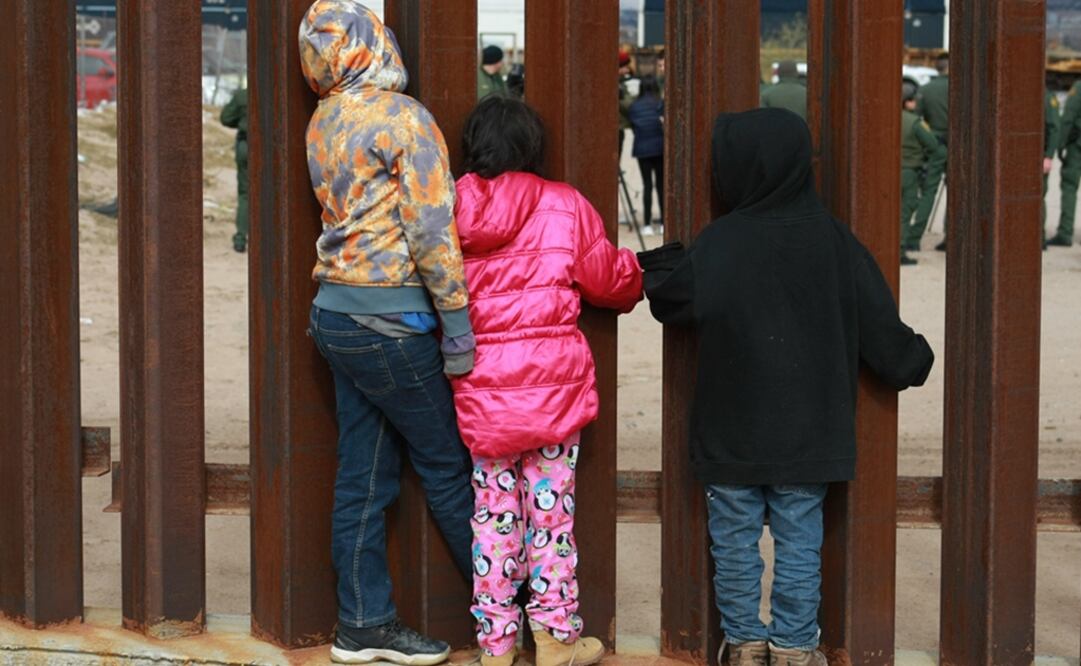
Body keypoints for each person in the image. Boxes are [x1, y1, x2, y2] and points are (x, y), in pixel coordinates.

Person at [637, 109, 934, 666]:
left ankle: (746, 642)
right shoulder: (834, 241)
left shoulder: (722, 241)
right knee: (800, 543)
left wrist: (663, 261)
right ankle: (796, 647)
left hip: (731, 431)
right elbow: (880, 329)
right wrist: (911, 359)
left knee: (734, 542)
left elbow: (674, 302)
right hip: (810, 430)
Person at [299, 3, 476, 663]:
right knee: (448, 466)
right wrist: (456, 329)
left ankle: (364, 625)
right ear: (377, 43)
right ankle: (513, 615)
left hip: (335, 316)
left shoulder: (324, 119)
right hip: (392, 319)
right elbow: (432, 228)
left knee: (363, 477)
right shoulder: (405, 118)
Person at [451, 96, 643, 666]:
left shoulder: (448, 206)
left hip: (482, 391)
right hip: (553, 392)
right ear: (533, 147)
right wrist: (640, 271)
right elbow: (609, 281)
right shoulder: (564, 204)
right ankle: (556, 639)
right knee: (551, 517)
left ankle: (496, 646)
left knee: (492, 516)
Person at [900, 83, 943, 263]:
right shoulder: (914, 122)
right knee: (906, 209)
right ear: (907, 102)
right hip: (910, 171)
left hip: (892, 171)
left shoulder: (885, 117)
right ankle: (901, 248)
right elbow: (933, 146)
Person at [913, 53, 949, 251]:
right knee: (958, 193)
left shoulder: (926, 90)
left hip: (935, 144)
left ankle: (914, 236)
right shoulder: (962, 88)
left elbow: (918, 119)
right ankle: (952, 236)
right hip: (959, 145)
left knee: (928, 191)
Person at [628, 76, 665, 235]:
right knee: (661, 186)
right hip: (659, 147)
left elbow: (633, 126)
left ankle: (647, 224)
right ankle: (664, 222)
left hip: (642, 149)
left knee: (647, 186)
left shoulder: (635, 106)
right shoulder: (660, 103)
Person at [220, 86, 249, 253]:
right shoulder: (274, 93)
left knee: (245, 194)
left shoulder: (242, 96)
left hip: (246, 146)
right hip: (269, 149)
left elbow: (225, 118)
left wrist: (241, 121)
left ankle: (240, 239)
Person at [1053, 79, 1081, 247]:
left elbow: (1069, 117)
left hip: (1077, 147)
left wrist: (1061, 144)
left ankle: (1065, 232)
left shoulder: (1079, 87)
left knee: (1069, 186)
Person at [1044, 86, 1061, 249]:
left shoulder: (1046, 97)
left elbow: (1055, 128)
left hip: (1040, 157)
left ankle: (1038, 239)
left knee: (1036, 197)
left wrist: (1048, 155)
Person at [618, 49, 634, 157]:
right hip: (617, 128)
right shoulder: (618, 86)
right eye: (625, 67)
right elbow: (628, 105)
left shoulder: (621, 82)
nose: (627, 70)